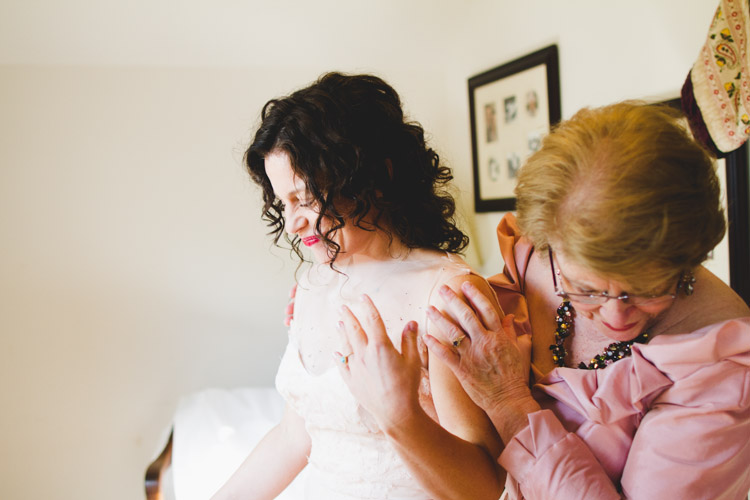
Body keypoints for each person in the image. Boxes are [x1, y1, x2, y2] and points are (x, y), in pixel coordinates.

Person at [339, 101, 750, 499]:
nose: (616, 314)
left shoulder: (722, 369)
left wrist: (509, 403)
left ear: (689, 258)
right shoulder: (533, 256)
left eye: (648, 289)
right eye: (586, 289)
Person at [211, 72, 506, 500]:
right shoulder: (313, 284)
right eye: (282, 203)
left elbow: (484, 488)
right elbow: (296, 437)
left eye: (305, 199)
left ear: (373, 177)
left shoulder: (445, 294)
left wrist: (401, 416)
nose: (292, 223)